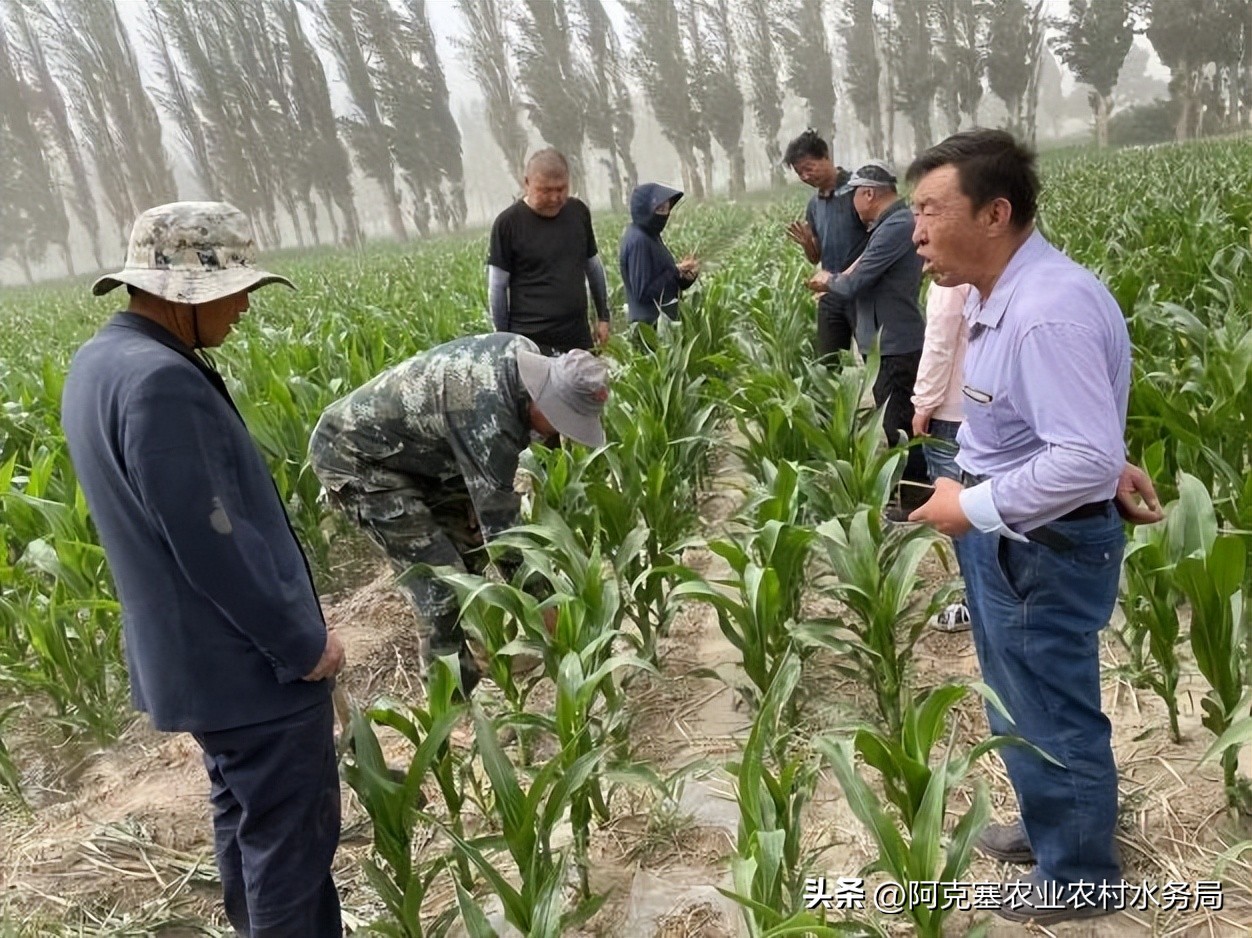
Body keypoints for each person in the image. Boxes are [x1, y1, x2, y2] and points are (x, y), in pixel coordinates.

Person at [61, 202, 344, 937]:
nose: (245, 304)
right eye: (236, 287)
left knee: (249, 828)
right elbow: (212, 544)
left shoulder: (99, 363)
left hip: (198, 674)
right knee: (290, 852)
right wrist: (303, 646)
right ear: (182, 292)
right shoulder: (161, 382)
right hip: (251, 677)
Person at [906, 130, 1153, 925]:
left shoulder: (1045, 310)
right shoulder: (1003, 293)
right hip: (1016, 536)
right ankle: (1055, 826)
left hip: (1036, 545)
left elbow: (1077, 454)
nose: (915, 233)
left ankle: (1082, 874)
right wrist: (1110, 461)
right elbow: (1073, 429)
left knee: (1049, 701)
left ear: (994, 213)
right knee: (1017, 695)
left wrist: (968, 507)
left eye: (929, 211)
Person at [308, 334, 610, 693]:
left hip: (424, 453)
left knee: (468, 549)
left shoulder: (524, 358)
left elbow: (480, 472)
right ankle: (448, 701)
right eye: (562, 422)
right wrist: (548, 612)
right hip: (358, 458)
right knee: (442, 582)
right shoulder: (491, 412)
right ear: (542, 403)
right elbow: (507, 540)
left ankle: (478, 653)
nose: (560, 434)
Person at [806, 160, 930, 504]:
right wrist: (835, 282)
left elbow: (856, 282)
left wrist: (828, 280)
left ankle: (915, 496)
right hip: (887, 341)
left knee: (901, 423)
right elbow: (858, 271)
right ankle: (908, 490)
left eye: (854, 197)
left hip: (895, 341)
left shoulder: (896, 227)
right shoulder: (890, 224)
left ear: (869, 194)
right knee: (894, 419)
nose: (851, 206)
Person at [488, 149, 612, 354]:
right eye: (545, 190)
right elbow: (497, 287)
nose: (555, 198)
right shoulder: (507, 224)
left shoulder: (578, 212)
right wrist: (503, 340)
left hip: (577, 338)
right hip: (531, 343)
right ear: (526, 183)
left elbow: (593, 267)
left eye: (561, 189)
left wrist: (603, 317)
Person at [912, 281, 974, 631]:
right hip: (981, 408)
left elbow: (939, 342)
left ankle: (975, 601)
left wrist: (924, 404)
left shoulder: (952, 278)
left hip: (951, 411)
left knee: (961, 514)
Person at [783, 129, 868, 362]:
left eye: (809, 167)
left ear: (825, 156)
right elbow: (815, 257)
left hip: (863, 290)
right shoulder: (814, 205)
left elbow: (880, 238)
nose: (806, 176)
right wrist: (807, 244)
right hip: (830, 291)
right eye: (800, 173)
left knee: (874, 356)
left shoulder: (857, 190)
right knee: (827, 362)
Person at [619, 182, 699, 337]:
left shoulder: (650, 235)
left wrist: (685, 277)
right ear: (644, 210)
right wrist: (675, 271)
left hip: (663, 327)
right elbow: (643, 292)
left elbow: (658, 276)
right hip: (651, 330)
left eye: (667, 208)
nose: (665, 214)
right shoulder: (638, 241)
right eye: (660, 209)